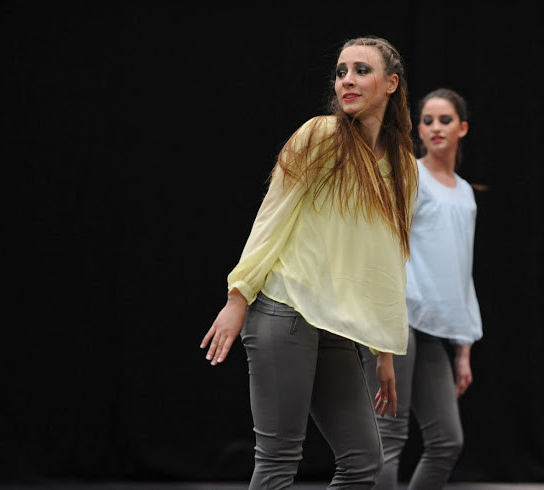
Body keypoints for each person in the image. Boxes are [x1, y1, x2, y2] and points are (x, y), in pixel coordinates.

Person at [200, 36, 418, 489]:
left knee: (363, 461)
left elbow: (388, 260)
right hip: (285, 310)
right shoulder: (321, 135)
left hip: (335, 324)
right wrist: (238, 298)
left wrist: (384, 352)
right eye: (341, 72)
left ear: (391, 83)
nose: (347, 80)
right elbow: (272, 216)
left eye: (361, 70)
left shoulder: (403, 166)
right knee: (278, 461)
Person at [359, 88, 483, 490]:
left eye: (445, 120)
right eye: (427, 120)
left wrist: (463, 348)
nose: (435, 128)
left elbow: (462, 270)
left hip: (434, 329)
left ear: (463, 128)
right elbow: (384, 244)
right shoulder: (411, 175)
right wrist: (381, 322)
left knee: (447, 441)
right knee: (389, 436)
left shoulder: (465, 192)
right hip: (400, 319)